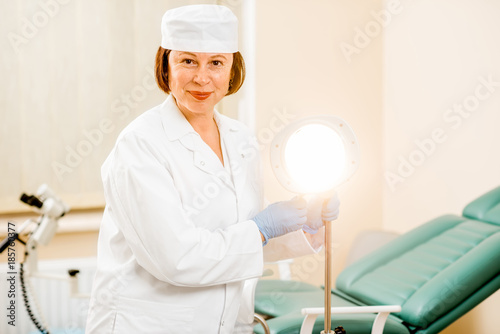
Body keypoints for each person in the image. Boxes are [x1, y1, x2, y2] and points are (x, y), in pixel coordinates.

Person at [85, 4, 340, 334]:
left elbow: (238, 240)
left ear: (233, 69)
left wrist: (304, 225)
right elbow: (177, 258)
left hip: (222, 322)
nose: (202, 78)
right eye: (187, 60)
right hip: (146, 324)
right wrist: (263, 227)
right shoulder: (139, 145)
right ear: (166, 64)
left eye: (216, 63)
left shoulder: (241, 140)